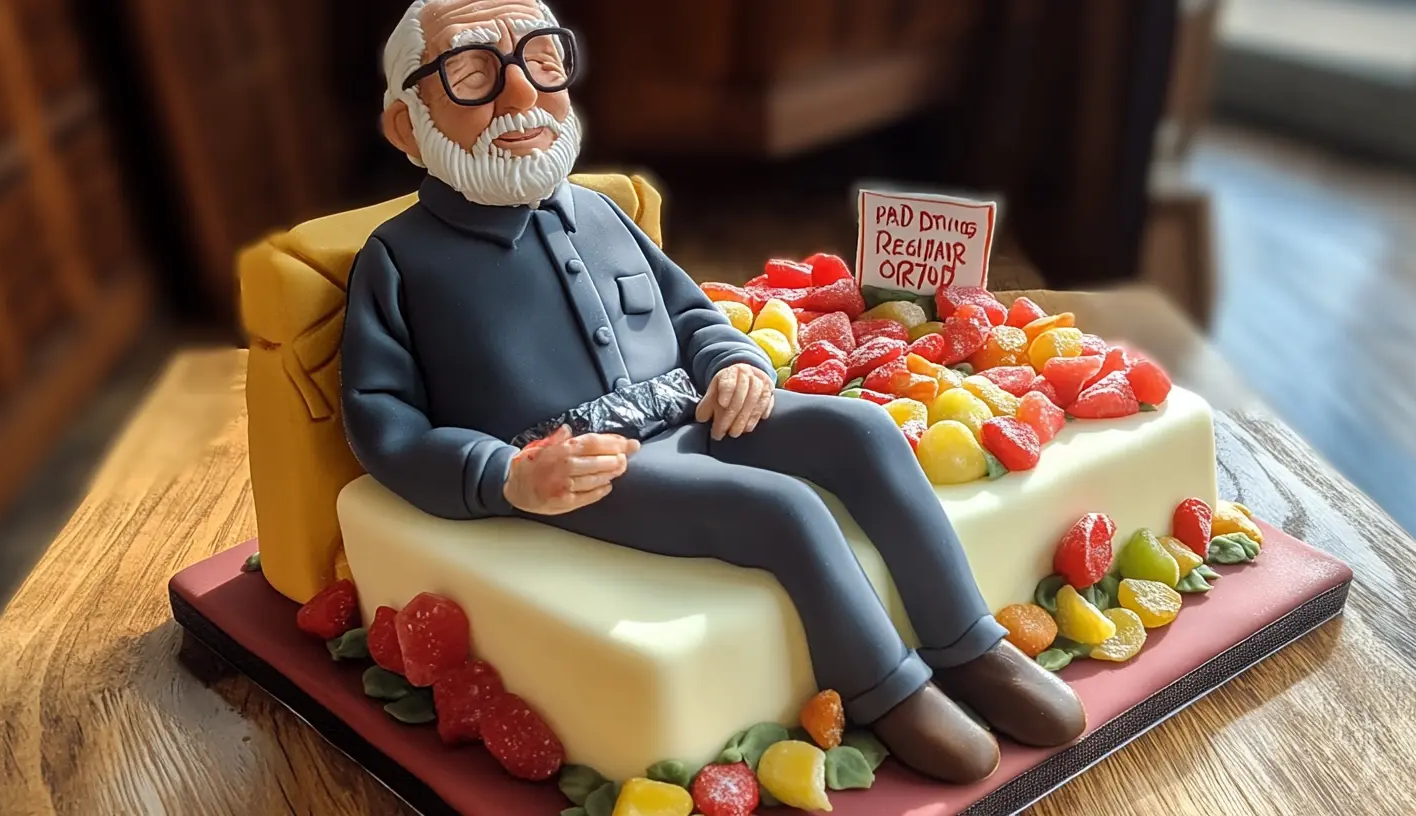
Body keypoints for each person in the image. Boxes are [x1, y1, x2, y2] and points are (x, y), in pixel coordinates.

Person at [342, 0, 1085, 784]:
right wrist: (505, 475)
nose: (523, 96)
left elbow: (691, 312)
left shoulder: (599, 209)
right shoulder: (399, 262)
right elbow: (383, 425)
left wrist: (736, 363)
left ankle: (967, 643)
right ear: (405, 125)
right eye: (471, 75)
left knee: (863, 433)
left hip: (694, 409)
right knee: (783, 509)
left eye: (542, 61)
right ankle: (884, 689)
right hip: (594, 467)